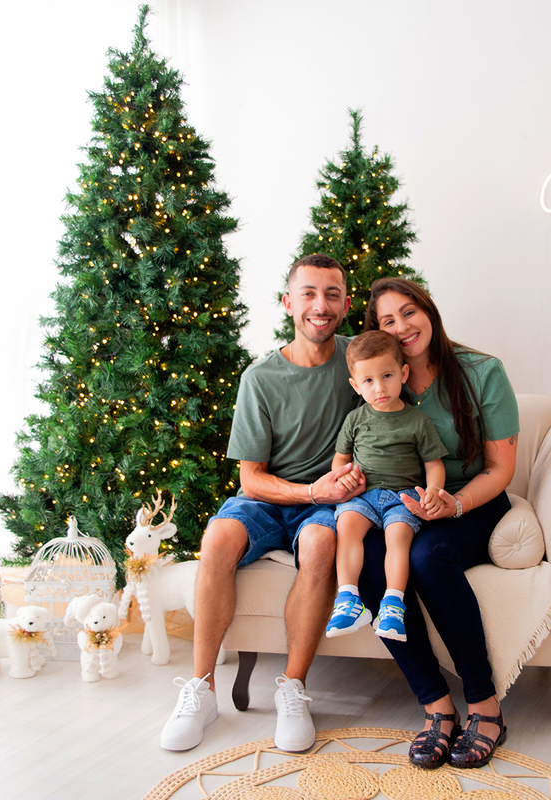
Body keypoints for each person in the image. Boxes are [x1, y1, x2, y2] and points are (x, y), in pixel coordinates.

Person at [159, 254, 366, 753]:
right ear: (287, 302)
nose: (321, 305)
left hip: (327, 506)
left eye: (332, 294)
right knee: (218, 537)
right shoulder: (260, 377)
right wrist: (313, 490)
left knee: (319, 543)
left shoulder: (359, 364)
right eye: (309, 293)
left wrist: (347, 482)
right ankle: (202, 689)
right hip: (272, 497)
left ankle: (292, 688)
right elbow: (250, 479)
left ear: (346, 304)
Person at [357, 276, 520, 770]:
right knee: (369, 560)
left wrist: (453, 505)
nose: (403, 326)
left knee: (428, 558)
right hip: (403, 505)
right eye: (388, 321)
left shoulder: (482, 372)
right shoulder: (381, 377)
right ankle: (436, 708)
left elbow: (500, 469)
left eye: (409, 312)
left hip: (473, 501)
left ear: (428, 311)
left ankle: (485, 707)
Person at [326, 331, 448, 642]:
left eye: (387, 376)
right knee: (347, 526)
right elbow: (339, 462)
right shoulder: (354, 420)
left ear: (403, 374)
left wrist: (433, 491)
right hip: (362, 496)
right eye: (368, 381)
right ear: (355, 385)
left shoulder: (417, 421)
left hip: (403, 498)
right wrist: (344, 477)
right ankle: (348, 598)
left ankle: (393, 604)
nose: (379, 388)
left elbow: (434, 465)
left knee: (398, 538)